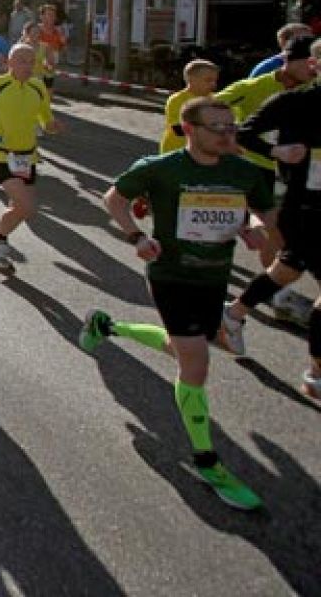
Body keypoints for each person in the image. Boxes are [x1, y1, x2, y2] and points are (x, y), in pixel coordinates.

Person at [81, 97, 276, 510]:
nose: (228, 135)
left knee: (183, 348)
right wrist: (137, 237)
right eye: (217, 128)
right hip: (171, 275)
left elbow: (259, 212)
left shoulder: (245, 171)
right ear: (189, 130)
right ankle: (208, 463)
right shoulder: (161, 169)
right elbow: (113, 198)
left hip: (214, 277)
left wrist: (253, 228)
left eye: (231, 127)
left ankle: (107, 327)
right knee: (196, 365)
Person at [219, 37, 321, 398]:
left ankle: (231, 315)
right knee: (290, 267)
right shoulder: (295, 102)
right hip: (304, 205)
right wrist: (277, 149)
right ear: (315, 66)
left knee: (287, 269)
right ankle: (315, 375)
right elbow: (243, 131)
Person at [0, 44, 61, 274]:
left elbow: (45, 118)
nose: (28, 66)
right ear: (9, 63)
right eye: (22, 61)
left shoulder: (37, 86)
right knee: (27, 207)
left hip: (28, 156)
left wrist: (52, 126)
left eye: (31, 61)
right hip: (1, 153)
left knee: (18, 207)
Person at [160, 60, 220, 154]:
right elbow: (178, 130)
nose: (213, 84)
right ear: (191, 79)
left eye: (215, 80)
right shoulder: (177, 100)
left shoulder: (215, 99)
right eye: (208, 80)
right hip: (176, 153)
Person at [246, 22, 312, 79]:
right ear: (284, 41)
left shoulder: (314, 63)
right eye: (304, 39)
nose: (311, 43)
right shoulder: (266, 68)